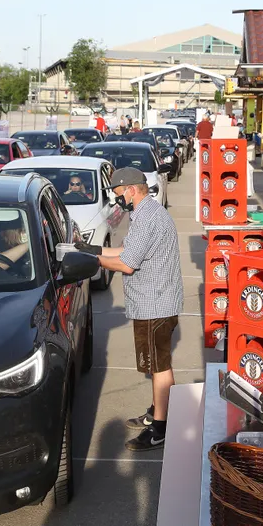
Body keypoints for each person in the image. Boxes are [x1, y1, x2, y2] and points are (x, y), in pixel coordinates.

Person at [76, 167, 183, 451]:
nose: (117, 199)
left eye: (118, 193)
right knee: (158, 365)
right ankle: (156, 413)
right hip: (156, 301)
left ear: (131, 189)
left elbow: (126, 264)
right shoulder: (146, 213)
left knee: (159, 367)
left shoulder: (147, 217)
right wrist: (92, 250)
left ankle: (160, 429)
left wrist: (94, 263)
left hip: (155, 304)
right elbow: (125, 251)